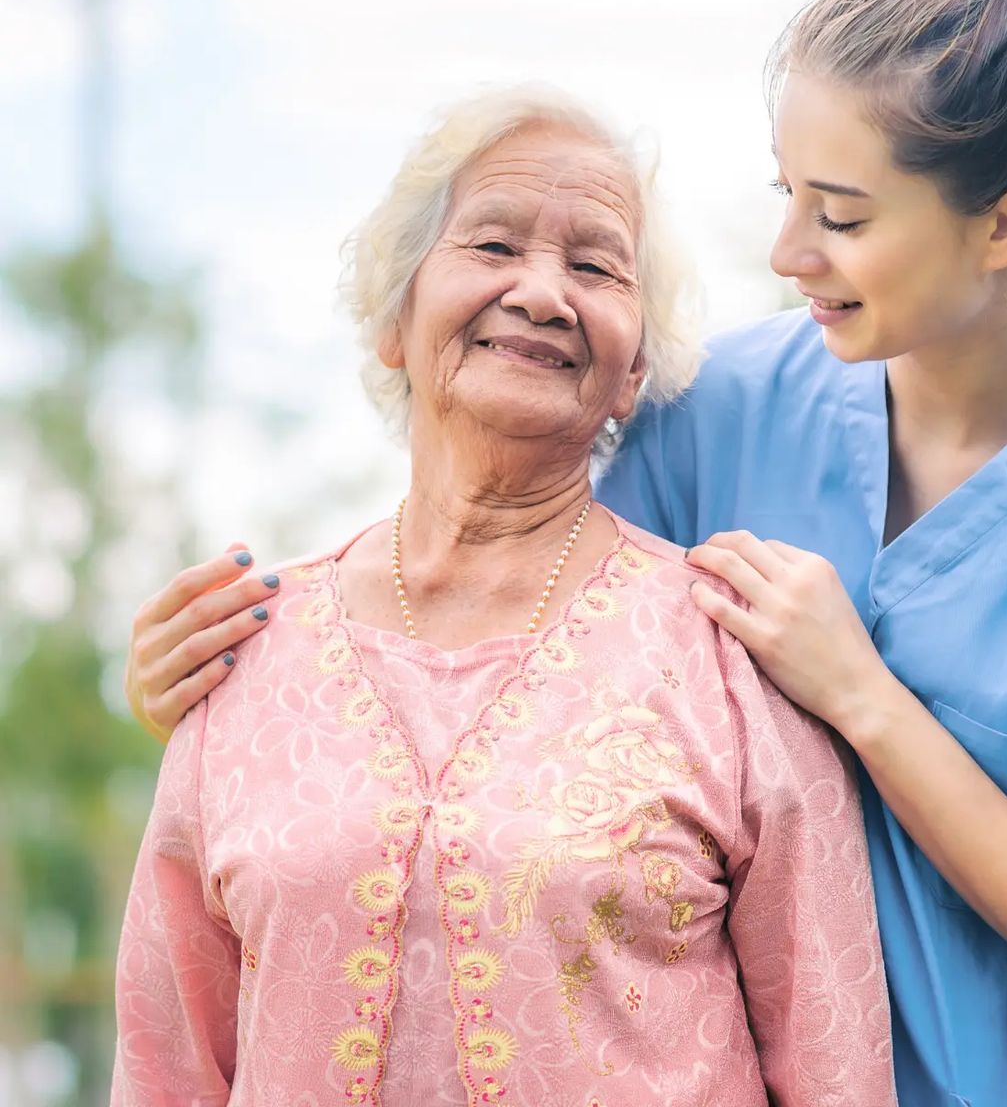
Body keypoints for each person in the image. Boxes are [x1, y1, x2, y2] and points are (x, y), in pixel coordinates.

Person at [125, 0, 1007, 1107]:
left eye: (839, 215)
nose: (786, 255)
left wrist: (863, 697)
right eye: (787, 195)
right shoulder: (717, 409)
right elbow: (519, 615)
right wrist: (237, 710)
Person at [112, 88, 897, 1106]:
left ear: (631, 373)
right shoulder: (244, 653)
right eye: (491, 245)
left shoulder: (729, 656)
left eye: (593, 265)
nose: (540, 293)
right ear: (394, 317)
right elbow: (165, 1062)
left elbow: (834, 1070)